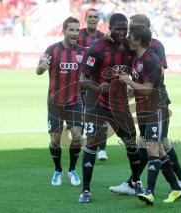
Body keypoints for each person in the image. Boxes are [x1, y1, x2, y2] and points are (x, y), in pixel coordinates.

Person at [109, 14, 181, 195]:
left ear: (142, 31)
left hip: (156, 104)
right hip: (143, 104)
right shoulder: (136, 53)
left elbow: (155, 77)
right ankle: (176, 185)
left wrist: (132, 84)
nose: (128, 33)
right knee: (157, 145)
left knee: (155, 145)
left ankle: (145, 187)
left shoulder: (153, 50)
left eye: (132, 29)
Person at [78, 13, 142, 203]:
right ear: (110, 28)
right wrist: (98, 88)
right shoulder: (97, 48)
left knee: (131, 143)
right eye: (118, 29)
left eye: (125, 29)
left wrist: (131, 85)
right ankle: (86, 191)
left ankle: (136, 181)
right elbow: (83, 80)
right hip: (96, 105)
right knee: (91, 144)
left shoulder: (130, 47)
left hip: (120, 106)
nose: (122, 32)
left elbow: (137, 66)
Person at [36, 17, 86, 186]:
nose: (75, 33)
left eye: (77, 30)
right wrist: (41, 68)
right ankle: (58, 169)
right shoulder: (52, 49)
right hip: (55, 102)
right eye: (71, 30)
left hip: (75, 101)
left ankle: (72, 169)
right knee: (55, 140)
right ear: (63, 30)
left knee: (78, 136)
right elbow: (39, 69)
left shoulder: (83, 52)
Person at [78, 8, 109, 161]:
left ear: (98, 20)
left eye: (95, 17)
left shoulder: (103, 38)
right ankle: (89, 143)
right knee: (85, 114)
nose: (92, 19)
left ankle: (102, 149)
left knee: (101, 114)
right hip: (82, 81)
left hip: (97, 82)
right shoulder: (78, 35)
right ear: (85, 18)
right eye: (90, 16)